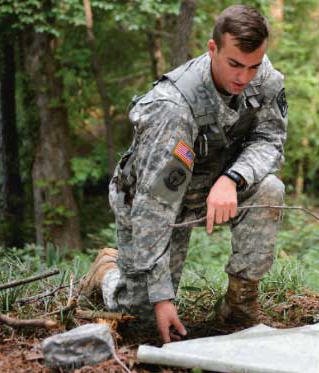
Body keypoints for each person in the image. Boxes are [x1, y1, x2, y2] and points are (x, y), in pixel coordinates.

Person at [80, 4, 288, 344]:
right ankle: (106, 270)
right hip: (156, 202)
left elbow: (270, 140)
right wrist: (162, 297)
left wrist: (232, 179)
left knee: (270, 189)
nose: (244, 77)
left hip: (216, 188)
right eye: (234, 64)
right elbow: (153, 206)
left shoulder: (264, 78)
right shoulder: (173, 108)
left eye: (253, 65)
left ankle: (239, 304)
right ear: (212, 49)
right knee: (142, 319)